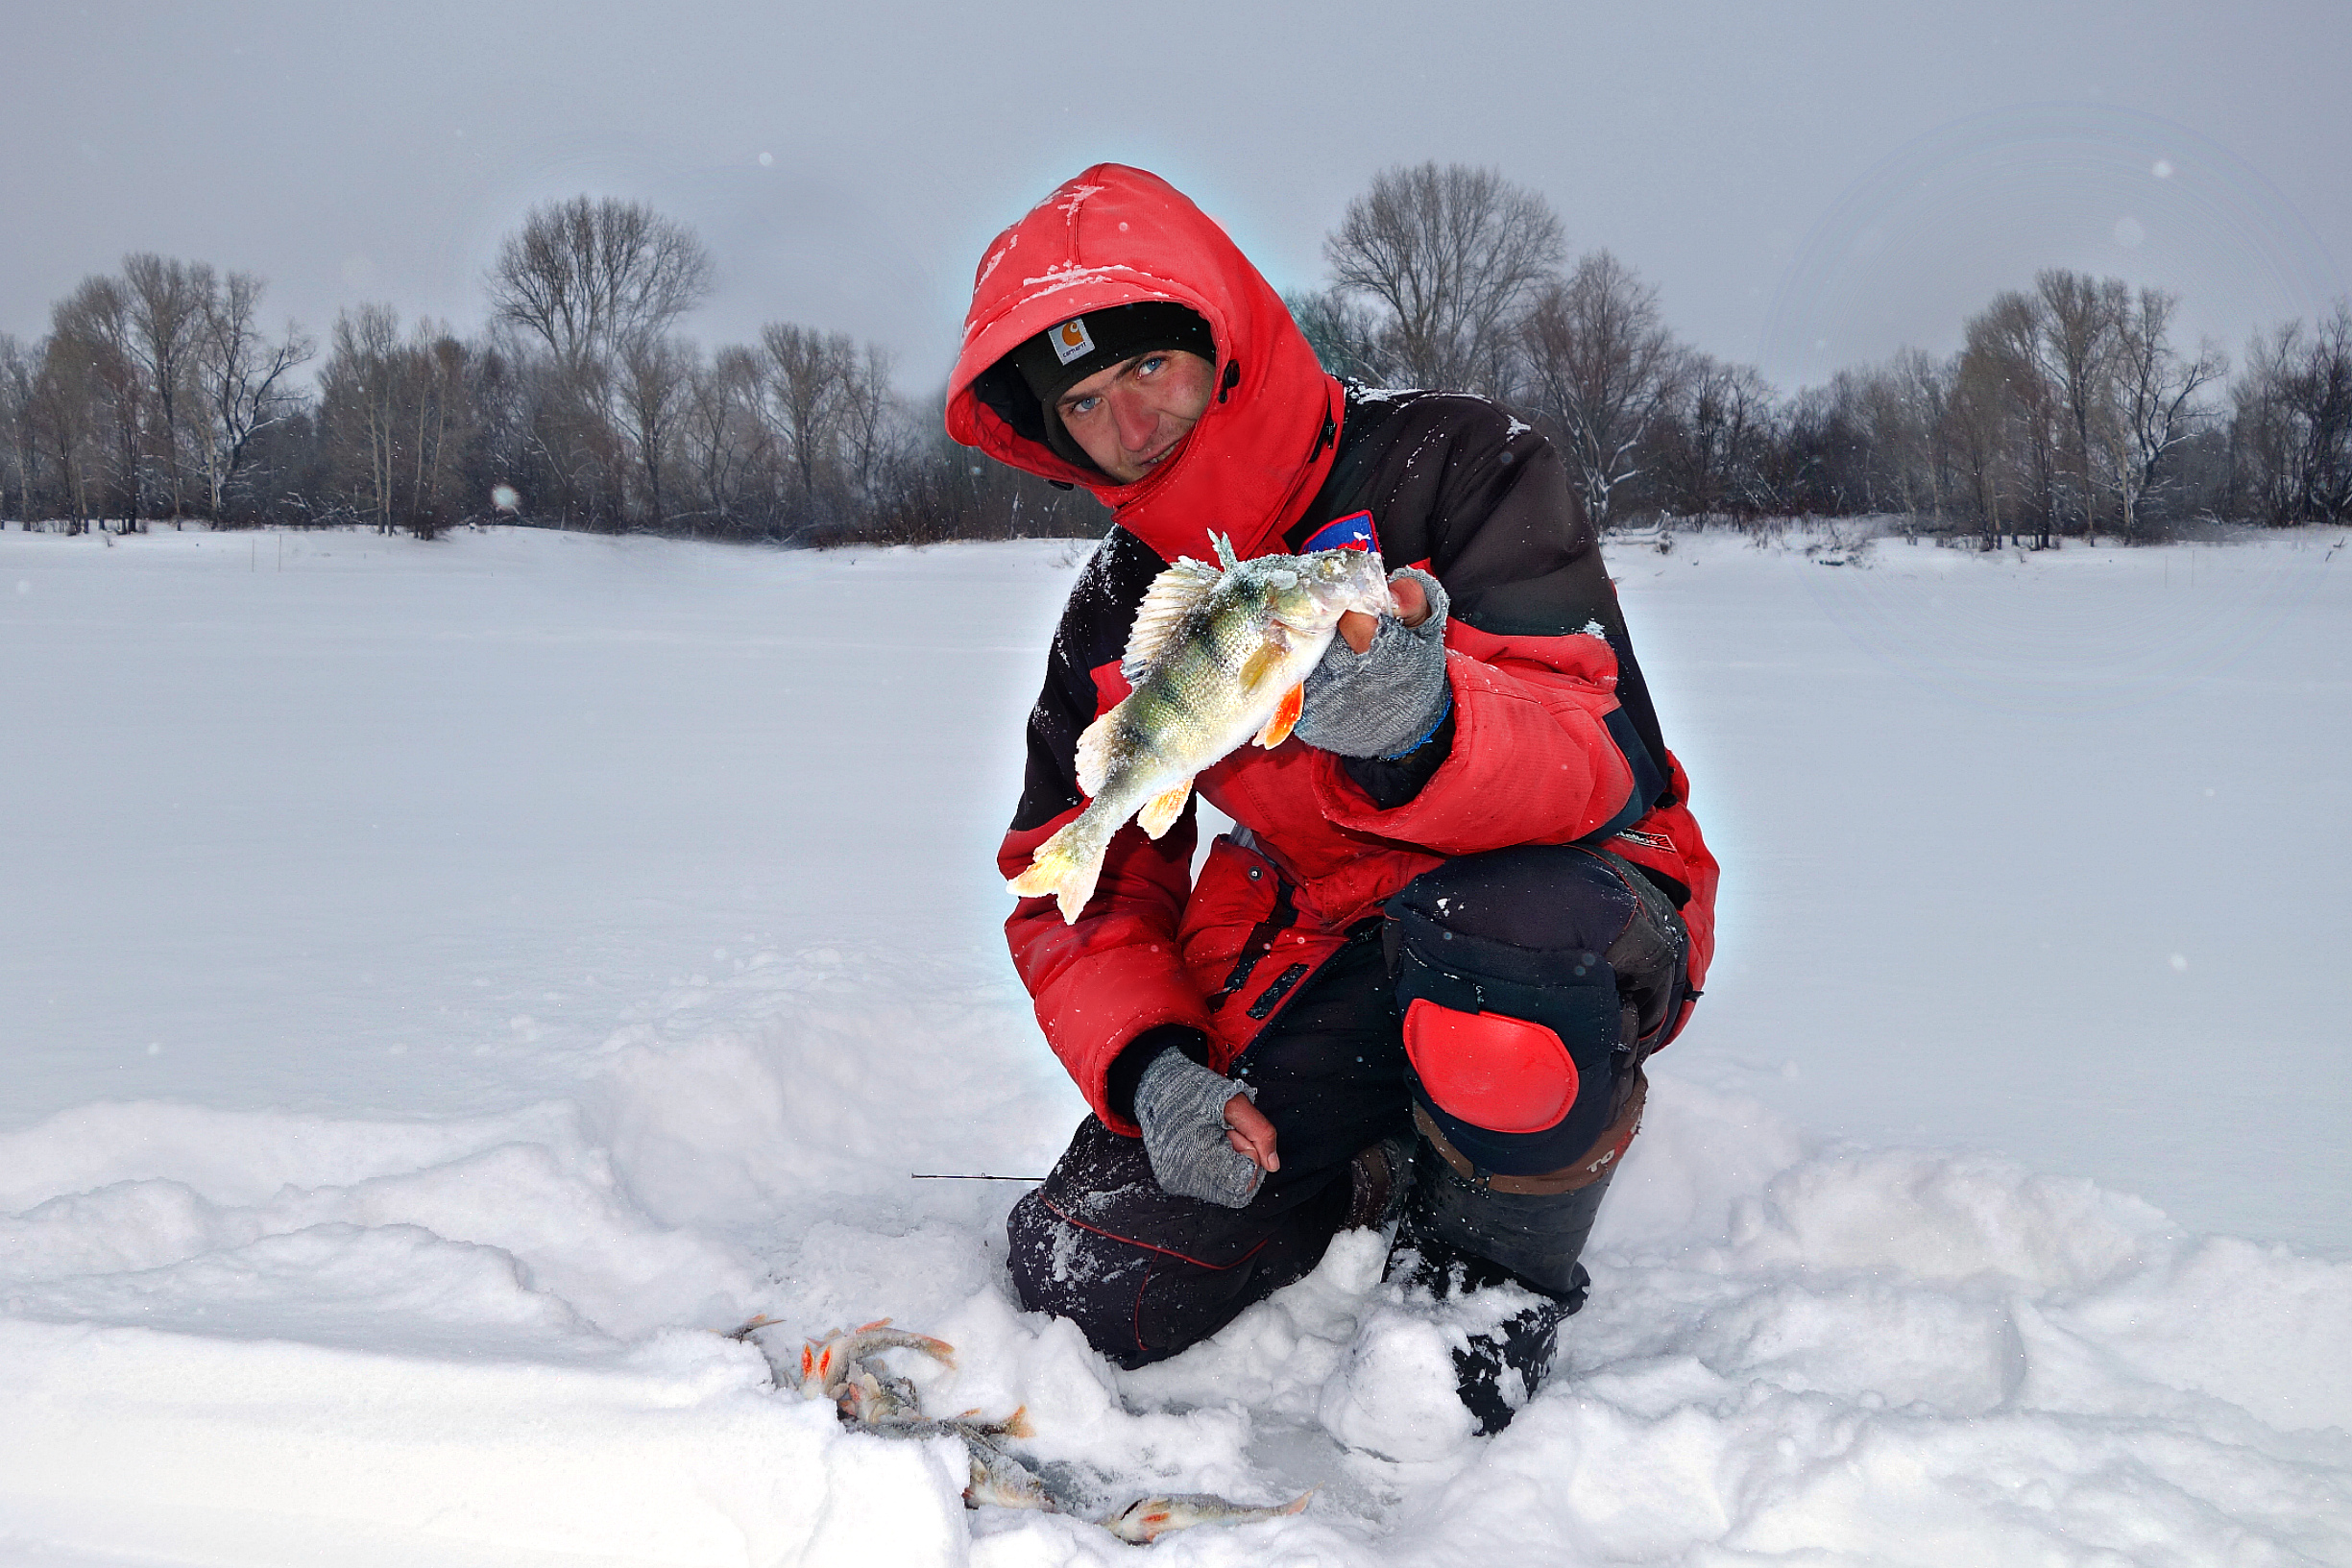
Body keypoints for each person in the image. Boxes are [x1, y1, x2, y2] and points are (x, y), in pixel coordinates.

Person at [944, 165, 1717, 1436]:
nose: (1126, 420)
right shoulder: (1119, 602)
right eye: (1082, 400)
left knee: (1494, 948)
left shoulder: (1454, 460)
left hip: (1564, 892)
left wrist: (1429, 720)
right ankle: (1384, 1147)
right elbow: (1078, 873)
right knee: (1098, 1274)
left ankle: (1483, 1283)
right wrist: (1150, 1067)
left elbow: (1599, 754)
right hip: (1324, 936)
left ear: (1221, 338)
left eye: (1147, 368)